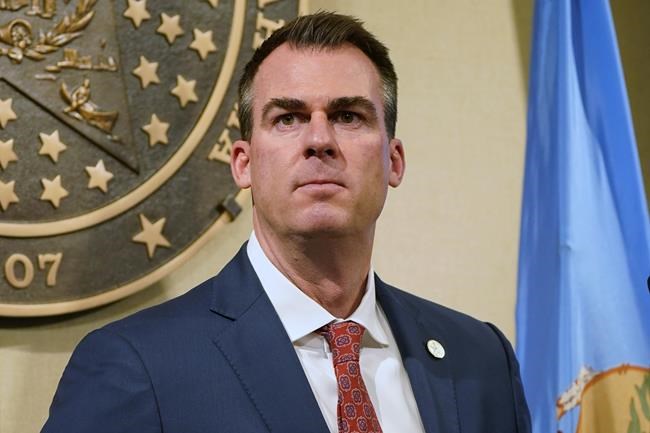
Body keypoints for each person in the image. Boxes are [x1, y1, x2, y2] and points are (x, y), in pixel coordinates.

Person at [42, 12, 531, 433]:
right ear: (243, 163)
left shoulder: (481, 359)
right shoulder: (135, 365)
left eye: (348, 116)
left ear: (394, 161)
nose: (319, 140)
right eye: (288, 119)